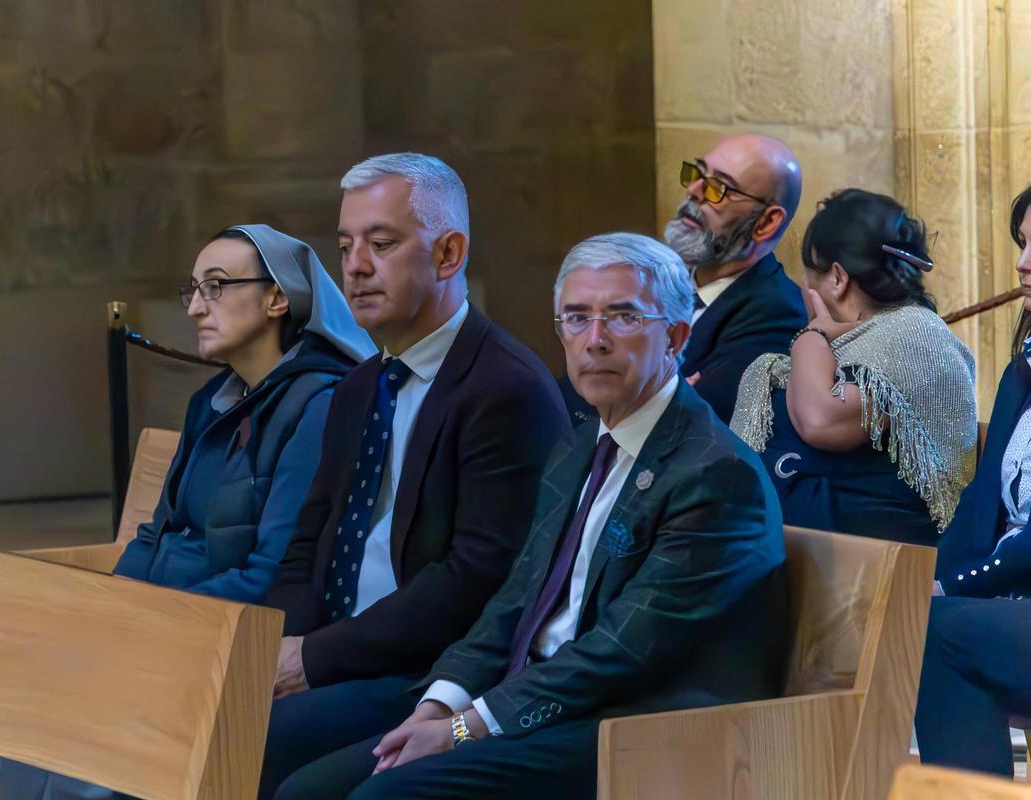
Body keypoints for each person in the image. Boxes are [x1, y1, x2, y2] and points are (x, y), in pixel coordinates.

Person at [272, 232, 790, 800]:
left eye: (622, 317)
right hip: (539, 691)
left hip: (639, 724)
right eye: (576, 318)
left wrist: (463, 728)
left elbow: (621, 652)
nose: (594, 341)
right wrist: (438, 704)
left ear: (675, 335)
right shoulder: (579, 444)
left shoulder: (713, 472)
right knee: (307, 787)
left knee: (382, 796)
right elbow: (515, 601)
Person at [0, 225, 376, 800]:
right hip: (153, 621)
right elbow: (157, 531)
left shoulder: (318, 406)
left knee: (61, 713)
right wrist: (110, 611)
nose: (197, 306)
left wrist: (142, 625)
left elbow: (274, 574)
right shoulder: (211, 401)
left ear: (279, 298)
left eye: (217, 286)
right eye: (193, 290)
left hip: (217, 636)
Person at [259, 153, 569, 796]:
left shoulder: (504, 388)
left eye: (382, 243)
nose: (355, 266)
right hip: (340, 653)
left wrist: (311, 661)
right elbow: (307, 547)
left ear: (448, 254)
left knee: (259, 741)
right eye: (345, 245)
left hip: (427, 674)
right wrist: (273, 649)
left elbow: (472, 580)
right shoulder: (360, 385)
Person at [730, 189, 977, 545]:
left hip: (874, 570)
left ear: (836, 278)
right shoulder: (859, 340)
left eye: (808, 272)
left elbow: (821, 421)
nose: (802, 284)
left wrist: (811, 336)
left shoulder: (912, 334)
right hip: (802, 556)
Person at [915, 186, 1031, 776]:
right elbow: (984, 499)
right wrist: (925, 579)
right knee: (919, 623)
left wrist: (956, 586)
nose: (1022, 264)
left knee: (938, 636)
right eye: (1021, 243)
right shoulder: (1025, 366)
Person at [661, 134, 808, 423]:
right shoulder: (651, 284)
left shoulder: (777, 313)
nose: (693, 191)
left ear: (766, 222)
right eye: (697, 174)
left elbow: (692, 425)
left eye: (718, 187)